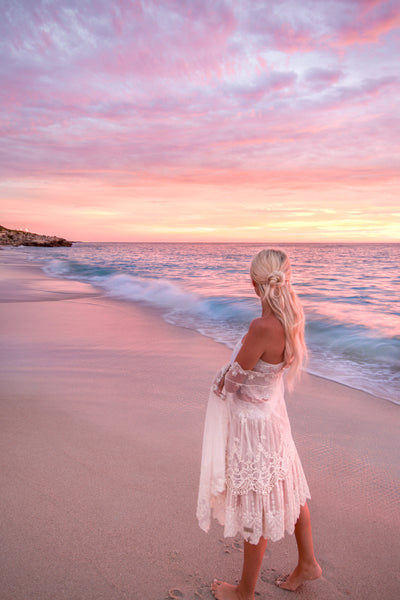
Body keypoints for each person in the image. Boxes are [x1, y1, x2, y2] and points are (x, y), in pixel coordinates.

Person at [196, 249, 321, 600]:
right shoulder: (293, 318)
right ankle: (308, 562)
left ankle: (244, 592)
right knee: (290, 490)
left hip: (255, 429)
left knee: (257, 507)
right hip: (275, 418)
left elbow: (233, 381)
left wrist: (219, 378)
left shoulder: (262, 327)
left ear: (254, 284)